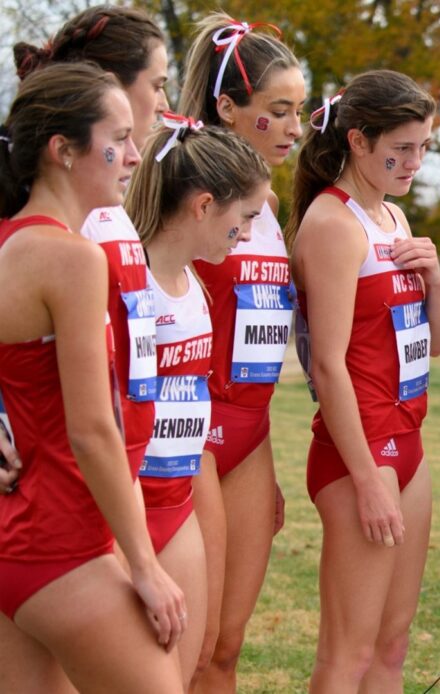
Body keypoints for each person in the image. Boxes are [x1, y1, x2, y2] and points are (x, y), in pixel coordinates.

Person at [0, 61, 184, 693]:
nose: (134, 156)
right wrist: (143, 565)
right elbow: (92, 431)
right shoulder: (71, 256)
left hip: (23, 538)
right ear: (62, 150)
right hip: (61, 542)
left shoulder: (12, 241)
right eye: (120, 138)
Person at [286, 69, 440, 692]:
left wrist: (435, 279)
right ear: (358, 141)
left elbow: (432, 344)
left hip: (407, 441)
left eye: (424, 147)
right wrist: (366, 480)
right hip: (360, 451)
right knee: (347, 654)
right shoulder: (333, 224)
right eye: (401, 148)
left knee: (393, 644)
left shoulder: (394, 217)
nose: (414, 162)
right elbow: (326, 364)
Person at [178, 14, 305, 688]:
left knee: (227, 647)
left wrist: (270, 464)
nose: (294, 127)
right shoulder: (182, 196)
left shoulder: (269, 206)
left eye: (300, 111)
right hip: (189, 431)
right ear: (227, 107)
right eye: (277, 111)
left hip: (250, 437)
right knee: (190, 647)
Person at [126, 120, 272, 690]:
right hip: (130, 507)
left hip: (180, 501)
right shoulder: (128, 279)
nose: (248, 231)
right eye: (246, 217)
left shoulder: (195, 282)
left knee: (201, 650)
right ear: (205, 205)